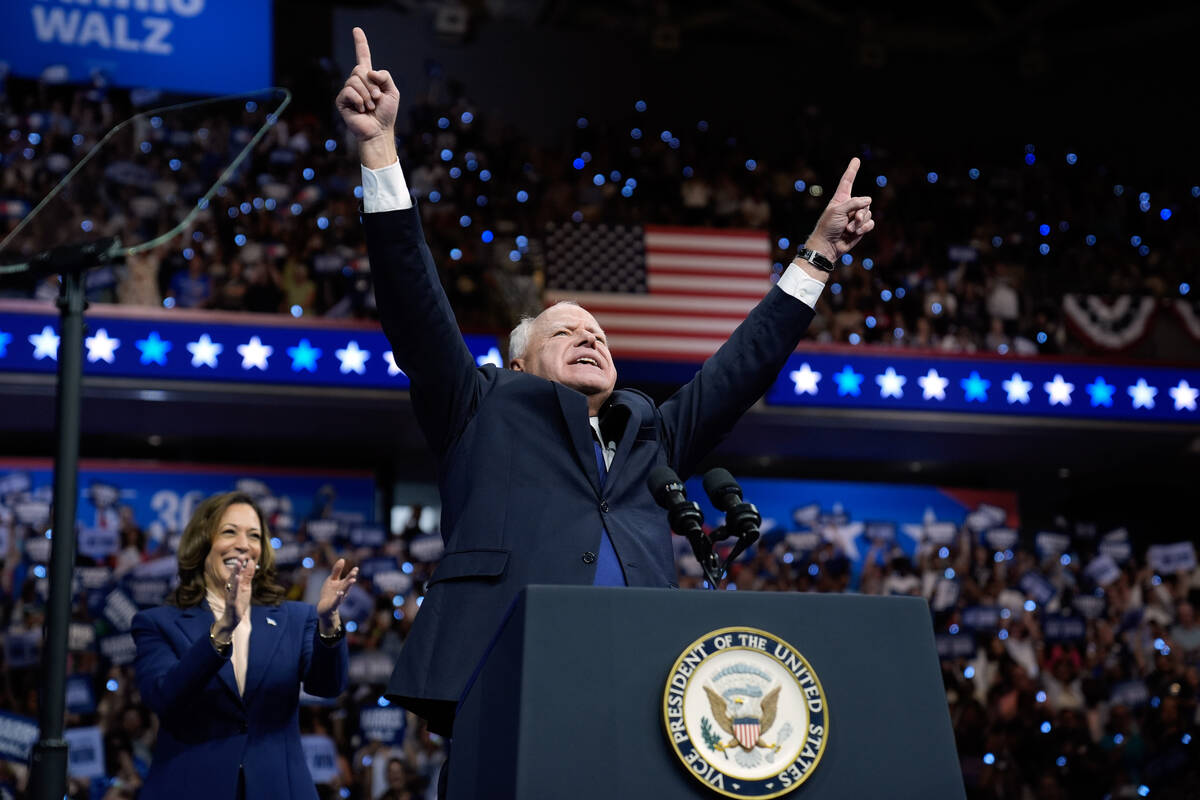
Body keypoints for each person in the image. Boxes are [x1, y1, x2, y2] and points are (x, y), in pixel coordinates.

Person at [337, 26, 874, 737]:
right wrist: (379, 150)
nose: (590, 336)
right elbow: (414, 305)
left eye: (599, 334)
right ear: (519, 364)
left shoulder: (651, 434)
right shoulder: (479, 404)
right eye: (566, 331)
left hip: (645, 688)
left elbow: (742, 368)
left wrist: (818, 253)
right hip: (502, 682)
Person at [131, 491, 359, 799]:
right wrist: (223, 628)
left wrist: (329, 622)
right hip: (188, 788)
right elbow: (164, 697)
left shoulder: (296, 618)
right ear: (202, 543)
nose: (243, 544)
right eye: (229, 532)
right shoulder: (157, 623)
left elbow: (328, 685)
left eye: (254, 535)